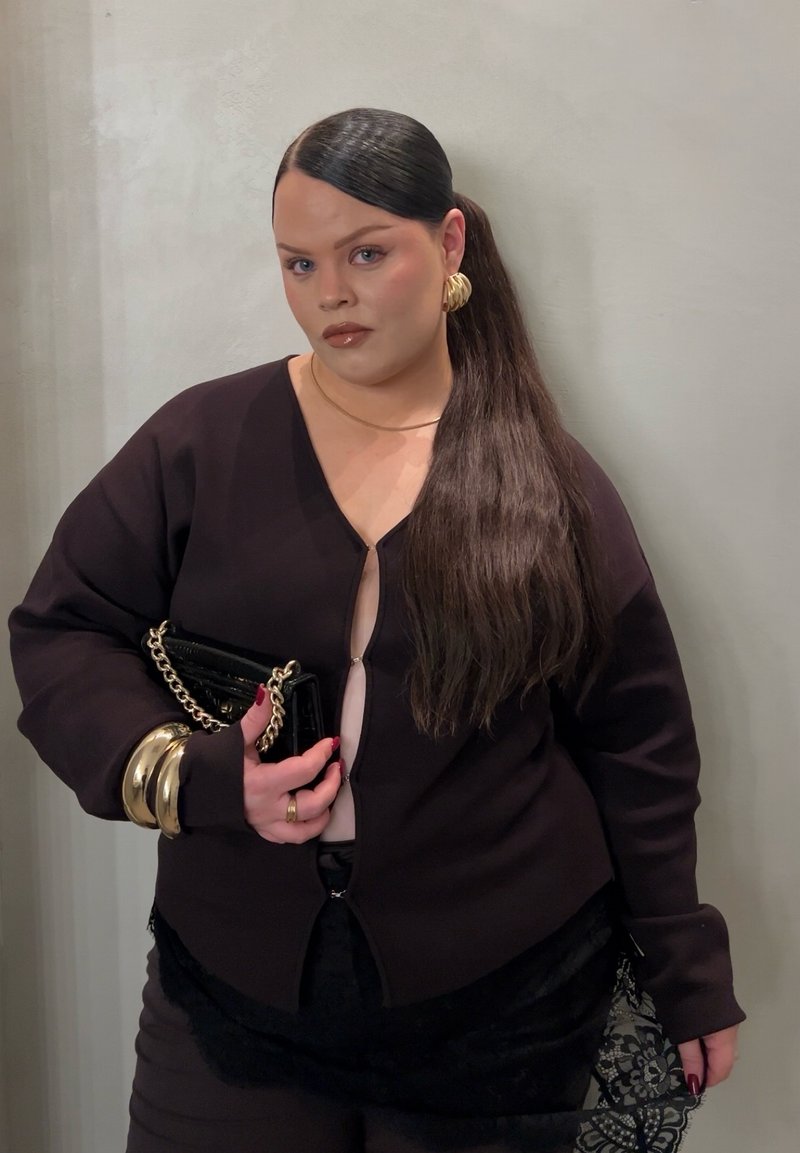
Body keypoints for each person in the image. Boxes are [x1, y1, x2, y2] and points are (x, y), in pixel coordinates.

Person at [8, 107, 744, 1153]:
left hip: (507, 999)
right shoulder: (198, 443)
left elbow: (637, 740)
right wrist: (198, 775)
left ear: (445, 244)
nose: (331, 294)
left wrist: (683, 962)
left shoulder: (550, 481)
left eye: (365, 252)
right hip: (231, 991)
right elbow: (62, 628)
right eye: (298, 264)